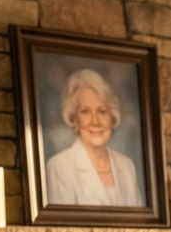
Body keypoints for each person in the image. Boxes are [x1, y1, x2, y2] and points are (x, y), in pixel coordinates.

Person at [45, 68, 143, 207]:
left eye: (102, 111)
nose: (95, 121)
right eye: (85, 112)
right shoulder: (60, 167)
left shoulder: (127, 166)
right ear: (74, 118)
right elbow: (64, 227)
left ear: (112, 116)